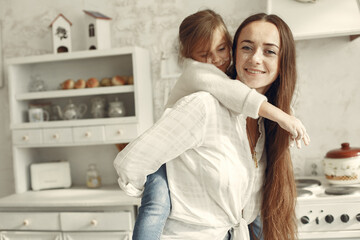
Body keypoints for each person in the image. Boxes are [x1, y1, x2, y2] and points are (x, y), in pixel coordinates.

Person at [114, 10, 309, 240]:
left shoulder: (267, 125)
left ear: (282, 61)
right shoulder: (203, 104)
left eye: (269, 51)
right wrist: (163, 192)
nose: (256, 58)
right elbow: (131, 163)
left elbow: (251, 208)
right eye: (247, 47)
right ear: (236, 53)